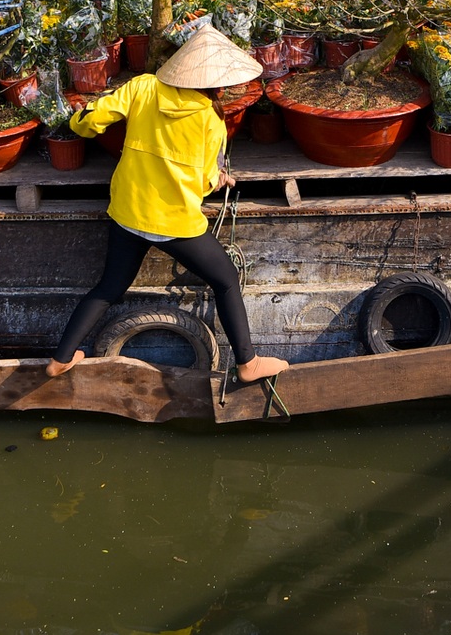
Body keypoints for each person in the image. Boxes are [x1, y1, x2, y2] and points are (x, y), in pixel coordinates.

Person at [45, 26, 289, 384]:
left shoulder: (143, 86)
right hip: (175, 224)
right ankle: (248, 363)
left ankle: (61, 358)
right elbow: (205, 183)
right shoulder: (210, 120)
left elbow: (91, 121)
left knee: (109, 288)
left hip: (128, 213)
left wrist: (78, 119)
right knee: (225, 280)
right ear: (218, 84)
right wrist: (220, 179)